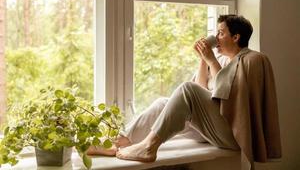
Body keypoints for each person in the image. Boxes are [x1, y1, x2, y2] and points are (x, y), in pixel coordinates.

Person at [87, 15, 282, 170]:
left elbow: (230, 98)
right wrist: (203, 59)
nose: (217, 38)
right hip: (214, 128)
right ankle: (119, 142)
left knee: (185, 89)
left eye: (221, 33)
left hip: (234, 133)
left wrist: (211, 61)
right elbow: (201, 92)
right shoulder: (222, 61)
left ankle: (149, 146)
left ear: (236, 37)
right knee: (163, 103)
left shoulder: (253, 59)